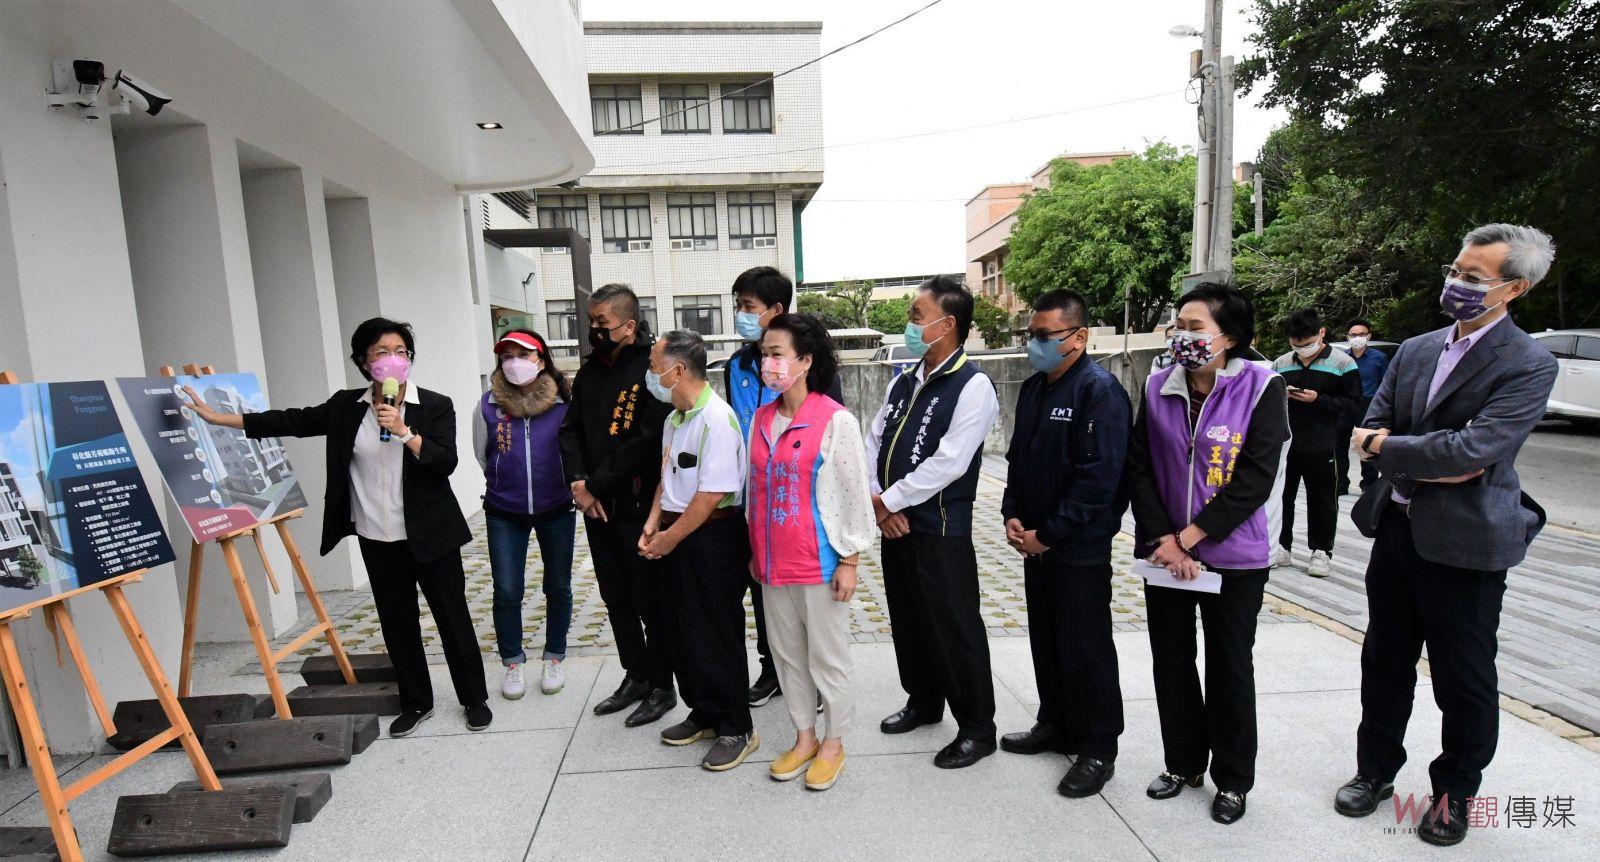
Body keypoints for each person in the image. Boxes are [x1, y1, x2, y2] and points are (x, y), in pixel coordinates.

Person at [1338, 224, 1560, 848]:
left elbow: (1474, 453)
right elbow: (1372, 423)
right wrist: (1400, 448)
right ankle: (1374, 771)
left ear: (1512, 288)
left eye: (1473, 277)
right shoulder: (1416, 348)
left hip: (1466, 543)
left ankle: (1454, 792)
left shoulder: (1528, 363)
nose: (1455, 284)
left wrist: (1389, 447)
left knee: (1463, 675)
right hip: (1398, 528)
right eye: (1455, 270)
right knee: (1384, 658)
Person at [181, 318, 490, 737]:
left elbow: (445, 462)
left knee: (452, 618)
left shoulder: (434, 404)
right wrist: (220, 419)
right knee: (397, 623)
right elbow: (292, 421)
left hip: (432, 534)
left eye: (401, 352)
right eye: (382, 353)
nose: (393, 360)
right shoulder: (347, 407)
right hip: (377, 535)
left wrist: (403, 431)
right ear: (363, 363)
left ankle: (474, 698)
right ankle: (417, 702)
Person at [1124, 283, 1290, 825]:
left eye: (1195, 328)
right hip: (1164, 554)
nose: (1181, 336)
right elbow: (1140, 467)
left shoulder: (1264, 387)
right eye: (1179, 325)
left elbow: (1254, 480)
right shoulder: (1155, 386)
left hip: (1234, 558)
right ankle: (1183, 763)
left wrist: (1190, 538)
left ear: (1231, 338)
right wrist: (1163, 541)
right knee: (1171, 662)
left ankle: (1234, 779)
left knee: (1229, 668)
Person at [865, 274, 1001, 769]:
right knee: (908, 619)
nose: (909, 324)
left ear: (947, 325)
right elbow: (872, 440)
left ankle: (977, 727)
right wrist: (878, 500)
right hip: (894, 524)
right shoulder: (904, 380)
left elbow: (950, 461)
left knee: (954, 625)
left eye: (916, 316)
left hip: (941, 528)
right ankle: (923, 701)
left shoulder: (973, 385)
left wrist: (890, 502)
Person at [999, 289, 1131, 798]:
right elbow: (1016, 459)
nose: (1035, 345)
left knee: (1086, 646)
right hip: (1035, 543)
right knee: (1048, 639)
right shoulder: (1034, 389)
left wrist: (1049, 534)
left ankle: (1099, 746)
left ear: (1079, 337)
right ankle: (1055, 723)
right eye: (1030, 336)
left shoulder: (1099, 391)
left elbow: (1100, 480)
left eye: (1045, 337)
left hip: (1078, 548)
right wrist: (1013, 515)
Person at [746, 313, 875, 792]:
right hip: (772, 564)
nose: (768, 363)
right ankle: (804, 738)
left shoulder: (832, 419)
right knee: (787, 658)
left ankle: (834, 743)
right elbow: (755, 490)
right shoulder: (762, 418)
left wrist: (850, 560)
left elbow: (851, 493)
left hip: (819, 563)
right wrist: (755, 551)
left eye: (777, 354)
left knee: (828, 658)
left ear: (805, 360)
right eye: (764, 355)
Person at [639, 330, 759, 771]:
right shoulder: (676, 419)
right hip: (677, 536)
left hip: (711, 538)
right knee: (682, 629)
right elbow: (666, 479)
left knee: (715, 631)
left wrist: (670, 538)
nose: (650, 373)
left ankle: (736, 725)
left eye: (655, 365)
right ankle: (705, 711)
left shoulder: (716, 419)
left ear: (679, 370)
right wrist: (654, 522)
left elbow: (711, 495)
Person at [726, 266, 844, 708]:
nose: (740, 314)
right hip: (754, 495)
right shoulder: (739, 364)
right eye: (737, 305)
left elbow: (832, 440)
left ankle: (816, 681)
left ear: (776, 310)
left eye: (748, 307)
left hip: (800, 501)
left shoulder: (811, 364)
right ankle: (773, 669)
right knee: (763, 587)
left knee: (809, 601)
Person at [558, 284, 677, 727]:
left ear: (629, 326)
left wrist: (597, 485)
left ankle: (663, 685)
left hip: (635, 503)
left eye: (602, 323)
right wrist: (577, 484)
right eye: (591, 322)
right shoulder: (591, 371)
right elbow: (568, 430)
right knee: (615, 595)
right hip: (595, 506)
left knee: (649, 597)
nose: (594, 330)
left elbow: (646, 441)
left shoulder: (650, 369)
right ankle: (636, 675)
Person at [473, 330, 574, 699]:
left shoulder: (564, 403)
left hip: (556, 508)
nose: (514, 362)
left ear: (541, 360)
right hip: (504, 511)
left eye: (523, 354)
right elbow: (483, 455)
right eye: (507, 356)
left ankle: (554, 657)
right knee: (507, 589)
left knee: (558, 586)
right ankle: (513, 663)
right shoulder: (487, 405)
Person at [1271, 308, 1363, 577]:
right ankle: (1281, 546)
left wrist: (1318, 400)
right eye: (1297, 345)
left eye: (1308, 343)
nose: (1303, 349)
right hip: (1287, 444)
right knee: (1282, 498)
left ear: (1321, 333)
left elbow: (1355, 406)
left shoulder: (1343, 364)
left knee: (1323, 500)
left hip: (1326, 443)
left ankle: (1321, 551)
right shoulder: (1281, 364)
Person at [1335, 319, 1391, 494]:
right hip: (1345, 403)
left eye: (1361, 334)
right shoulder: (1342, 359)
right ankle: (1340, 483)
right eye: (1353, 335)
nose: (1357, 338)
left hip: (1369, 404)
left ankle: (1369, 483)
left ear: (1369, 335)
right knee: (1339, 445)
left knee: (1367, 444)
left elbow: (1385, 384)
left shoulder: (1379, 358)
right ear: (1348, 337)